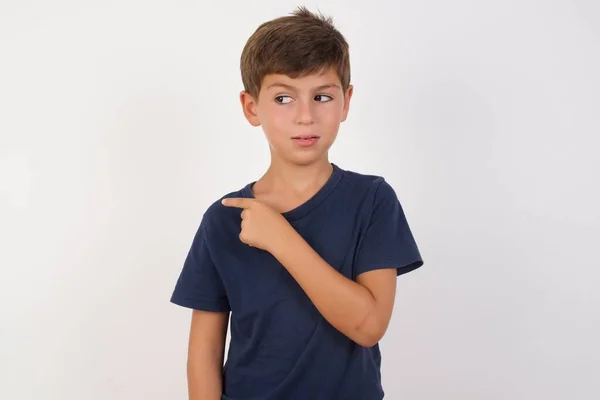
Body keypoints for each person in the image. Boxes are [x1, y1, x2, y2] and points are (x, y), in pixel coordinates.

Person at [170, 6, 424, 400]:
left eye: (322, 96)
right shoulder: (223, 220)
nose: (305, 116)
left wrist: (281, 239)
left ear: (346, 102)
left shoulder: (373, 200)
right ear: (251, 107)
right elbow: (203, 354)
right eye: (284, 98)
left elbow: (369, 324)